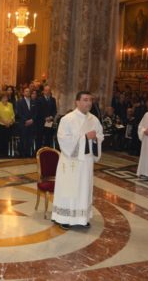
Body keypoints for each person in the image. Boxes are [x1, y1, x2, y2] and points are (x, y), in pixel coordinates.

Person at [51, 91, 104, 230]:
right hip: (71, 162)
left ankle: (81, 217)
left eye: (90, 100)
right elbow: (63, 140)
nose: (88, 103)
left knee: (84, 188)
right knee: (70, 189)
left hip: (86, 162)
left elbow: (100, 136)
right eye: (85, 100)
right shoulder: (67, 119)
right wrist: (85, 137)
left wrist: (95, 139)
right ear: (77, 102)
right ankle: (65, 217)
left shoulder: (94, 119)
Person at [17, 87, 37, 157]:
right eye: (26, 91)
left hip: (31, 124)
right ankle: (22, 154)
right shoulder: (19, 102)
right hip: (23, 124)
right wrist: (26, 120)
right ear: (23, 93)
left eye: (28, 91)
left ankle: (28, 154)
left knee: (30, 140)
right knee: (23, 140)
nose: (27, 93)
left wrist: (32, 120)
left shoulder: (33, 102)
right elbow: (19, 113)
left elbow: (36, 113)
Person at [0, 92, 15, 157]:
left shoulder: (10, 105)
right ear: (1, 98)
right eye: (3, 98)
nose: (5, 99)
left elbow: (12, 114)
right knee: (0, 140)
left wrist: (10, 122)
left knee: (6, 140)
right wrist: (5, 122)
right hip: (0, 125)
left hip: (9, 125)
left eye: (6, 97)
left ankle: (5, 153)